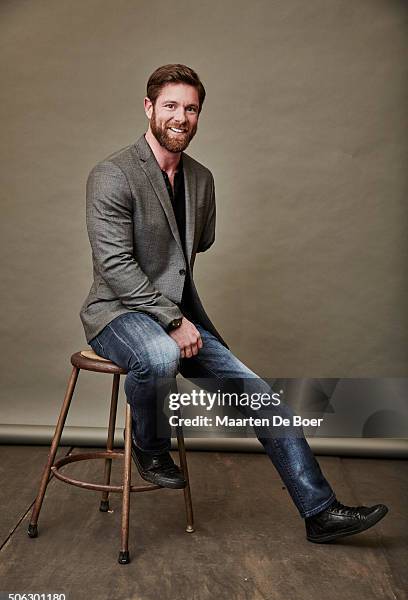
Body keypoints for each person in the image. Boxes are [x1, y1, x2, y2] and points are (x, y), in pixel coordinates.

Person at [80, 64, 388, 543]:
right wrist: (171, 320)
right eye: (170, 106)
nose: (181, 117)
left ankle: (321, 513)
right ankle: (149, 446)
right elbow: (116, 265)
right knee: (159, 354)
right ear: (148, 108)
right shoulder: (112, 174)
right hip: (117, 314)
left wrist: (179, 316)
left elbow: (200, 243)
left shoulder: (201, 179)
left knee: (263, 398)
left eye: (191, 108)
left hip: (181, 318)